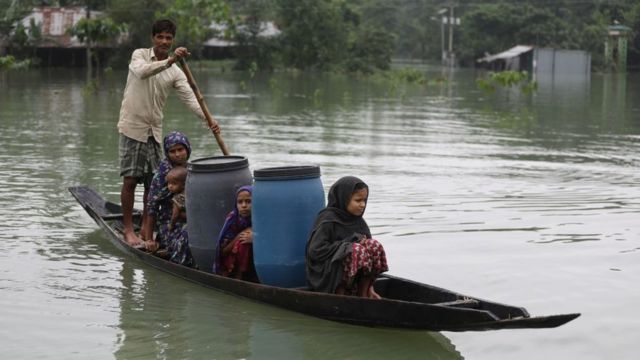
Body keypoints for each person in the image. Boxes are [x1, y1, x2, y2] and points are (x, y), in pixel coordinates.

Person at [117, 18, 220, 246]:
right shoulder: (140, 56)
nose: (164, 41)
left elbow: (190, 97)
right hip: (133, 128)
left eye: (168, 38)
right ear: (153, 38)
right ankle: (127, 230)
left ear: (172, 40)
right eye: (160, 37)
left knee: (151, 182)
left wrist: (209, 119)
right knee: (131, 180)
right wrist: (171, 60)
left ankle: (146, 227)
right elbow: (142, 72)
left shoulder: (175, 71)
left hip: (154, 131)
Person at [305, 176, 388, 299]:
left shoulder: (359, 222)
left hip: (352, 274)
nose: (362, 205)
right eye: (358, 200)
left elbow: (369, 258)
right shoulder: (327, 219)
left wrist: (371, 286)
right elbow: (315, 251)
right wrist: (347, 245)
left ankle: (364, 293)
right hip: (327, 274)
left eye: (364, 200)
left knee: (373, 246)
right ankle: (341, 295)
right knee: (356, 250)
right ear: (343, 199)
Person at [141, 131, 190, 254]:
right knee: (188, 236)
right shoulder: (162, 175)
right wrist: (149, 239)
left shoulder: (192, 169)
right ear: (167, 154)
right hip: (170, 223)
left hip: (191, 218)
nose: (177, 154)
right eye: (172, 151)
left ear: (187, 149)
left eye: (180, 149)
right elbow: (152, 207)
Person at [214, 186, 257, 281]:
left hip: (257, 263)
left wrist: (256, 239)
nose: (244, 205)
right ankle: (238, 278)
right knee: (242, 243)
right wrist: (239, 236)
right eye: (240, 202)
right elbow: (223, 251)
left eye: (249, 201)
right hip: (233, 264)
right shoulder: (232, 219)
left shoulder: (261, 217)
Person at [167, 166, 187, 231]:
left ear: (184, 184)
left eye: (174, 183)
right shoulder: (191, 192)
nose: (170, 186)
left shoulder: (178, 198)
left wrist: (171, 225)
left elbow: (175, 215)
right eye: (169, 183)